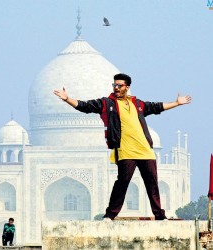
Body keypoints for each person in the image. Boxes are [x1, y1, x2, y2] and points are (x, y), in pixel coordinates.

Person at [54, 73, 192, 220]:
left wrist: (176, 103)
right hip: (125, 150)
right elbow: (86, 106)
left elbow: (156, 107)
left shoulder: (137, 104)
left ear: (127, 87)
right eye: (114, 85)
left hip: (145, 150)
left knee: (152, 183)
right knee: (122, 183)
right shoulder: (107, 104)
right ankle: (110, 215)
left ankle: (159, 215)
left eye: (119, 85)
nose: (116, 88)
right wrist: (68, 99)